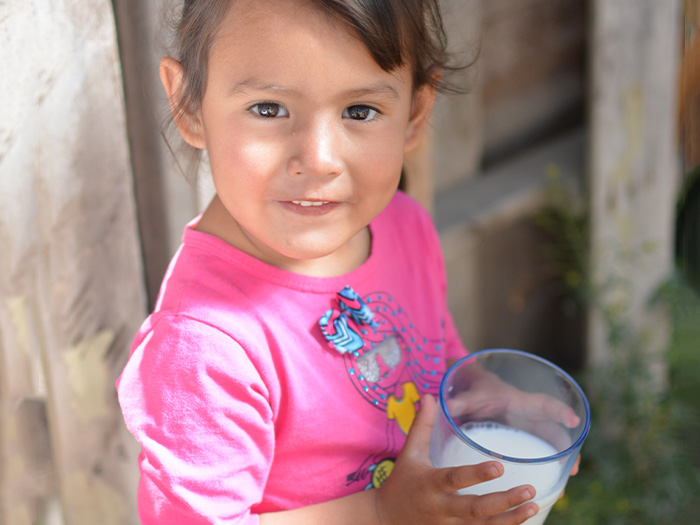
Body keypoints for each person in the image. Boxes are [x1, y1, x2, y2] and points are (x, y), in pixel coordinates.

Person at [117, 0, 546, 523]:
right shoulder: (203, 350)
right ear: (188, 105)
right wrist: (380, 513)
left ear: (414, 113)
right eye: (269, 109)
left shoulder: (402, 226)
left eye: (359, 111)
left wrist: (477, 394)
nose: (318, 159)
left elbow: (432, 353)